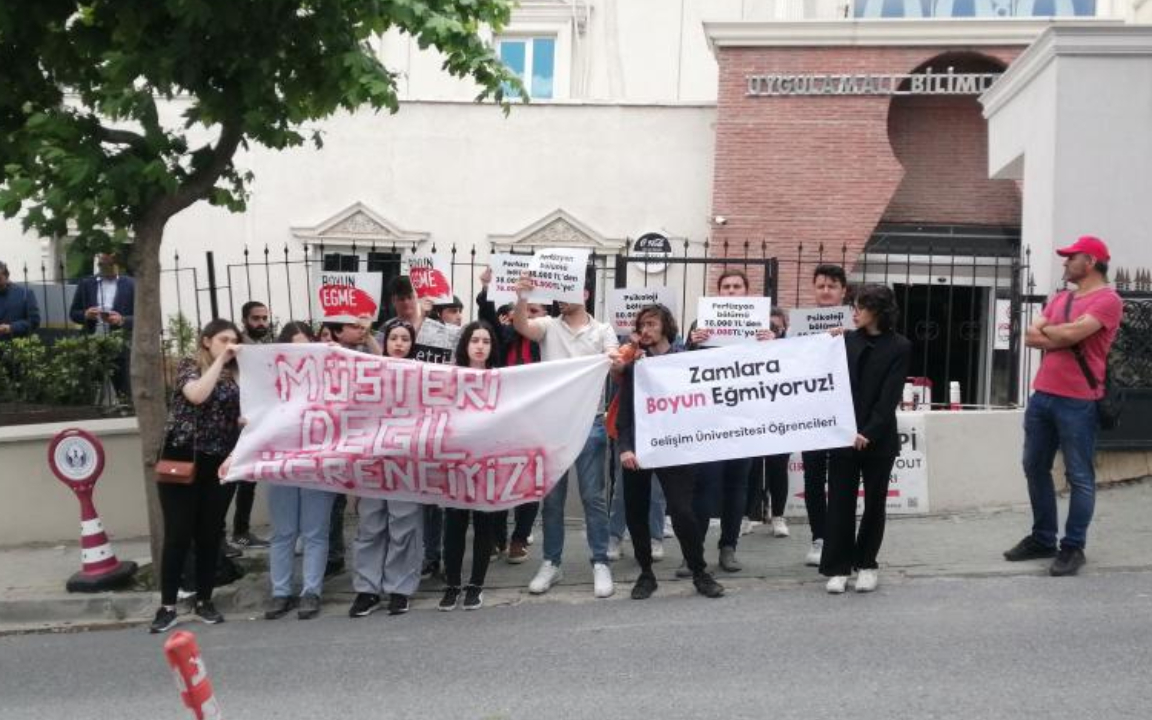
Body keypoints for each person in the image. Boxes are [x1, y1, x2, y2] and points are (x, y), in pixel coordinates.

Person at [1005, 236, 1123, 577]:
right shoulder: (1060, 298)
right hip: (1042, 394)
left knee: (1079, 476)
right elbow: (1029, 336)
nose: (1064, 263)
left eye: (1070, 258)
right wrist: (1063, 331)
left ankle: (1073, 547)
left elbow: (1070, 336)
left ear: (1090, 261)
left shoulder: (1108, 300)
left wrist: (1055, 332)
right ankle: (1043, 539)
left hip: (1079, 399)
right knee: (1033, 466)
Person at [513, 273, 622, 599]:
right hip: (553, 424)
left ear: (585, 292)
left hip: (590, 421)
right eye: (556, 292)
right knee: (553, 499)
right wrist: (521, 298)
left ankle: (600, 561)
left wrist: (617, 362)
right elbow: (523, 327)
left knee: (593, 497)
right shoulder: (548, 324)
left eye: (567, 290)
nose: (559, 297)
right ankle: (551, 562)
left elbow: (615, 364)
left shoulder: (602, 330)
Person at [616, 305, 725, 600]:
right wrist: (625, 448)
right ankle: (646, 574)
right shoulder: (635, 365)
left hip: (675, 449)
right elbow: (624, 412)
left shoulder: (682, 361)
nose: (646, 330)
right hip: (639, 448)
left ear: (666, 327)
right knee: (636, 514)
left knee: (682, 511)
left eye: (652, 324)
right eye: (642, 326)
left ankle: (699, 571)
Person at [149, 319, 243, 633]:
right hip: (183, 461)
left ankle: (204, 599)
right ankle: (168, 605)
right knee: (177, 534)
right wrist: (220, 361)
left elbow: (240, 415)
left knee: (209, 534)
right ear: (206, 341)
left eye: (234, 340)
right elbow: (197, 395)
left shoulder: (236, 376)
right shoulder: (189, 366)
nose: (230, 344)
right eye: (223, 339)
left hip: (218, 463)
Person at [820, 285, 911, 594]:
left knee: (874, 504)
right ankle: (838, 567)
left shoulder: (900, 346)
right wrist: (825, 341)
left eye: (859, 307)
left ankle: (867, 564)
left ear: (878, 310)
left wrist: (869, 431)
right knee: (840, 504)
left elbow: (890, 396)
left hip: (878, 439)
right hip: (844, 436)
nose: (854, 313)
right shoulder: (844, 341)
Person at [685, 268, 773, 575]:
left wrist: (773, 342)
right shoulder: (701, 326)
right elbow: (683, 368)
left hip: (744, 416)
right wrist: (693, 343)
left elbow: (780, 364)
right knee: (704, 484)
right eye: (726, 287)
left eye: (737, 287)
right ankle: (692, 552)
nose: (731, 291)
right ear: (718, 293)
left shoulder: (762, 327)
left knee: (737, 484)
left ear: (746, 293)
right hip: (709, 417)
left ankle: (728, 547)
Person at [349, 317, 424, 618]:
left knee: (403, 527)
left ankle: (399, 589)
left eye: (405, 339)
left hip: (405, 464)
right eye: (394, 338)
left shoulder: (422, 376)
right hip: (371, 463)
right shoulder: (368, 375)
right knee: (370, 526)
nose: (399, 344)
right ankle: (367, 590)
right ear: (386, 340)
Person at [264, 322, 338, 621]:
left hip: (317, 463)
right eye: (296, 346)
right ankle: (280, 592)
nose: (302, 352)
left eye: (308, 345)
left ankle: (311, 591)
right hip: (281, 462)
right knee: (283, 532)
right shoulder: (271, 378)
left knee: (315, 532)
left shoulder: (330, 375)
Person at [476, 266, 544, 564]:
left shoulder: (546, 341)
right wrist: (486, 290)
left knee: (528, 480)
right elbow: (488, 320)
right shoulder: (504, 337)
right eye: (522, 311)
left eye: (534, 311)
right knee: (502, 478)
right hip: (503, 418)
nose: (526, 316)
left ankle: (519, 539)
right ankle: (497, 538)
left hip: (535, 418)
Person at [439, 321, 501, 611]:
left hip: (487, 462)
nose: (479, 346)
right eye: (474, 340)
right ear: (465, 345)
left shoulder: (502, 380)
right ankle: (452, 584)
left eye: (486, 341)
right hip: (456, 461)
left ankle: (475, 585)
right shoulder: (448, 378)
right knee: (454, 524)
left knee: (484, 524)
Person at [323, 317, 381, 579]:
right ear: (337, 331)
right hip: (336, 438)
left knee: (368, 502)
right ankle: (334, 555)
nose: (360, 330)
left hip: (367, 438)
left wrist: (368, 336)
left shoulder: (368, 349)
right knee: (334, 500)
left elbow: (388, 364)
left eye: (362, 327)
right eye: (354, 327)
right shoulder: (325, 355)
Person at [801, 263, 850, 567]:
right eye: (821, 286)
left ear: (843, 291)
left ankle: (840, 536)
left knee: (843, 478)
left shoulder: (855, 323)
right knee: (814, 477)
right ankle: (819, 537)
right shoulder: (801, 324)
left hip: (844, 412)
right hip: (811, 413)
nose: (826, 291)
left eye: (832, 286)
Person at [227, 301, 274, 551]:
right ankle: (231, 534)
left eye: (265, 318)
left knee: (248, 479)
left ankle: (241, 531)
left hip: (253, 421)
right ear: (244, 319)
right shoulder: (236, 348)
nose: (262, 323)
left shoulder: (261, 348)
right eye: (256, 318)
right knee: (233, 479)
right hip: (234, 423)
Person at [749, 307, 792, 538]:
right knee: (752, 468)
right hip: (753, 415)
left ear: (783, 327)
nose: (770, 331)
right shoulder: (749, 346)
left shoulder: (791, 347)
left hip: (780, 416)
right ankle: (750, 515)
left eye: (775, 326)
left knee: (777, 469)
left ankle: (778, 516)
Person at [69, 252, 134, 396]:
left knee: (120, 380)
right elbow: (73, 313)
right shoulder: (86, 283)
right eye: (102, 264)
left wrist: (122, 319)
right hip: (92, 337)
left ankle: (122, 404)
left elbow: (142, 317)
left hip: (119, 339)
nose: (105, 268)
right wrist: (85, 314)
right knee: (91, 379)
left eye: (109, 264)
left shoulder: (131, 284)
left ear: (117, 265)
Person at [0, 260, 40, 340]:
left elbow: (34, 321)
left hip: (14, 347)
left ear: (6, 276)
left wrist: (11, 327)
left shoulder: (25, 294)